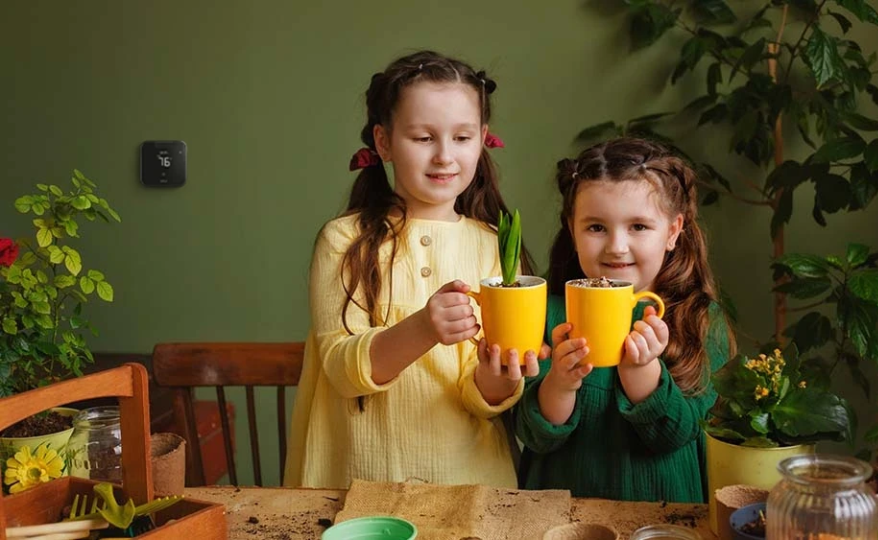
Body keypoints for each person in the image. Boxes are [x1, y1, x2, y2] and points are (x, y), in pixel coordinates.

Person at [283, 50, 540, 490]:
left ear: (482, 139)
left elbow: (481, 400)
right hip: (355, 486)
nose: (444, 156)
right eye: (423, 138)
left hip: (470, 485)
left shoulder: (493, 245)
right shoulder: (344, 240)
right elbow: (343, 371)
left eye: (461, 138)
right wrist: (423, 327)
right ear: (383, 142)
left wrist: (497, 379)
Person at [515, 137, 736, 502]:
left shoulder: (699, 319)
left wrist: (642, 373)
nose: (617, 246)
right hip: (558, 518)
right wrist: (560, 384)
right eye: (596, 227)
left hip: (662, 516)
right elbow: (533, 435)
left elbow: (675, 436)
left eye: (638, 227)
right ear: (572, 229)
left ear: (673, 231)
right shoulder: (545, 313)